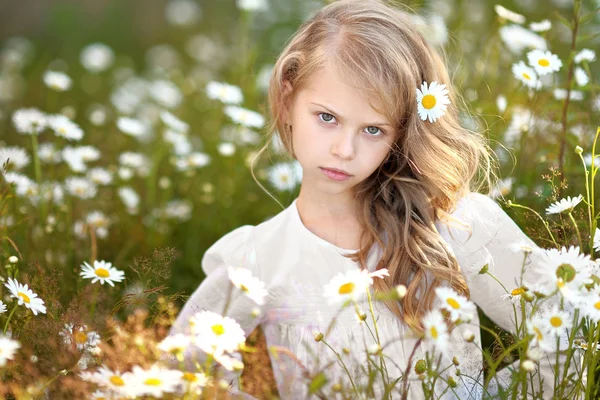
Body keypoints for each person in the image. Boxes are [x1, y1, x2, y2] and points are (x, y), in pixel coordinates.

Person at [168, 0, 565, 398]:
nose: (344, 149)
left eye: (373, 129)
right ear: (288, 98)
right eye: (327, 117)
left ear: (401, 133)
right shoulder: (257, 258)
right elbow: (183, 376)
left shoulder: (459, 225)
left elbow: (569, 328)